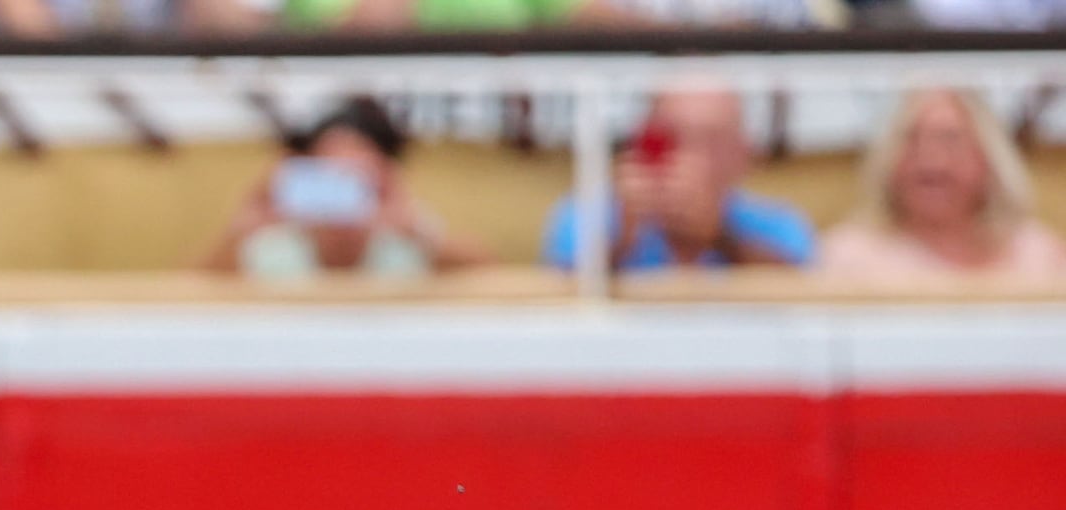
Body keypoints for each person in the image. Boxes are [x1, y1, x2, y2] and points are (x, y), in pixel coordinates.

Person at [547, 81, 815, 278]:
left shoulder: (781, 224)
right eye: (675, 135)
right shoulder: (585, 215)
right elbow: (561, 302)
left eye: (712, 139)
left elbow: (801, 296)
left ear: (743, 153)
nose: (690, 155)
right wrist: (624, 236)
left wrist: (720, 238)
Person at [200, 100, 485, 284]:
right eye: (326, 174)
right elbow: (193, 287)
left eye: (355, 178)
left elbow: (488, 275)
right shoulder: (277, 240)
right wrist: (245, 227)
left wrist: (417, 232)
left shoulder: (406, 232)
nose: (339, 189)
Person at [822, 86, 1066, 288]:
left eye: (950, 140)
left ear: (989, 158)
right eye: (911, 140)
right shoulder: (847, 259)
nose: (931, 160)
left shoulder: (1037, 255)